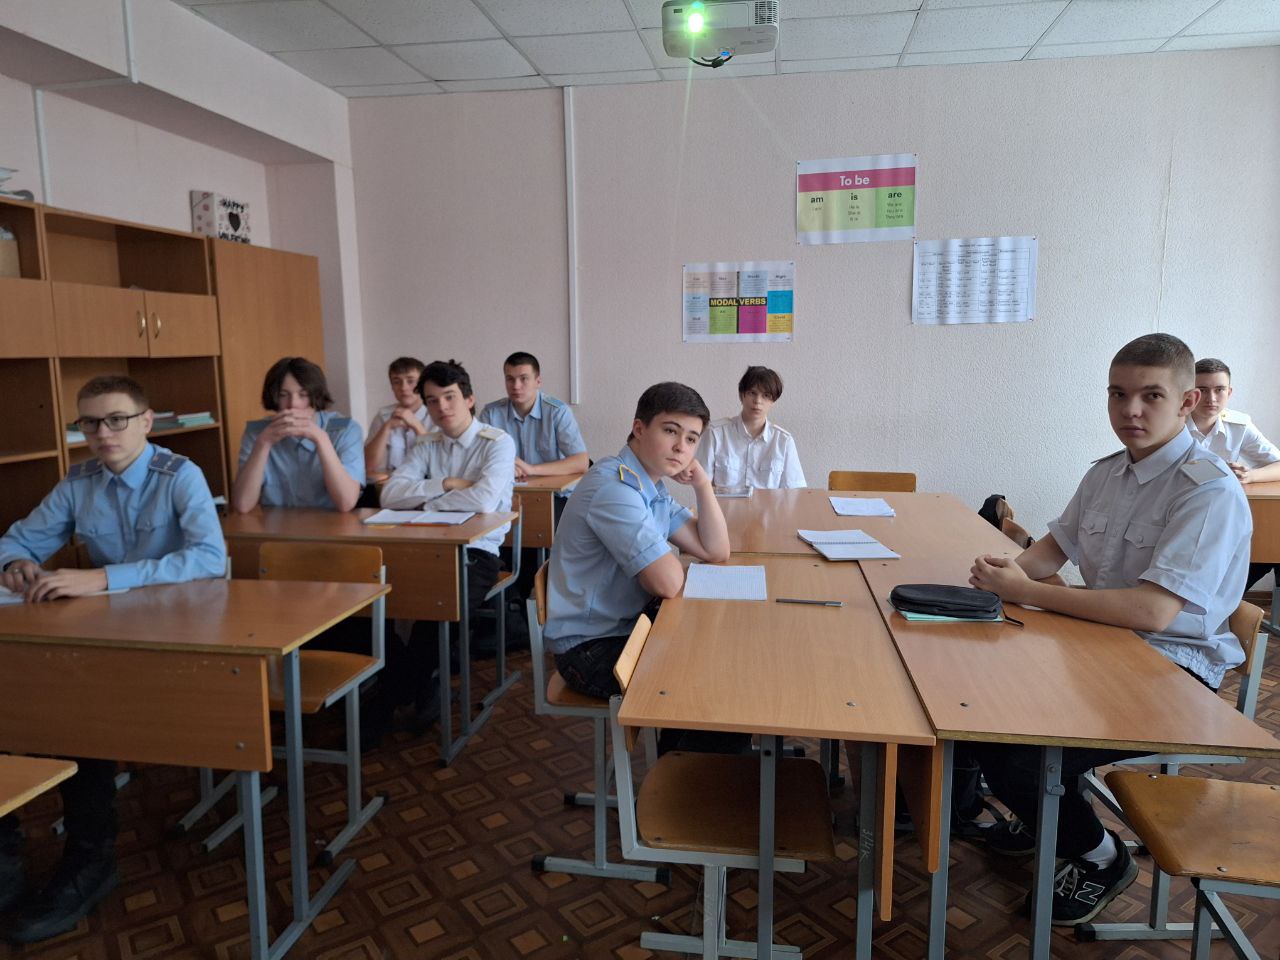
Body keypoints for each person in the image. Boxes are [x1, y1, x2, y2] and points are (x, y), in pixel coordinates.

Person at [966, 333, 1252, 925]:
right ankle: (1045, 814)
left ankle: (1100, 855)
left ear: (1188, 401)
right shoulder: (1107, 473)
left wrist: (1028, 592)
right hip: (1101, 647)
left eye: (1151, 396)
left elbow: (1153, 613)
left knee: (1019, 757)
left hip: (1174, 672)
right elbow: (1052, 549)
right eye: (1118, 394)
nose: (1131, 410)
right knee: (980, 706)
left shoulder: (1209, 491)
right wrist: (1005, 571)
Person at [0, 375, 226, 944]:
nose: (103, 433)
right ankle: (5, 857)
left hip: (179, 639)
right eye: (90, 423)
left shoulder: (180, 475)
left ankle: (90, 858)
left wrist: (102, 578)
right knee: (15, 697)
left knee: (79, 717)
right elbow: (17, 540)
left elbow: (209, 558)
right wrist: (17, 564)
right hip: (101, 636)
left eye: (117, 419)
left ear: (146, 421)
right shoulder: (79, 481)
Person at [543, 382, 731, 711]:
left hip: (626, 626)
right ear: (639, 429)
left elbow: (715, 550)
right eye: (670, 431)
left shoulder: (650, 486)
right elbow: (668, 583)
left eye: (691, 439)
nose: (680, 447)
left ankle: (684, 739)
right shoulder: (616, 488)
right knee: (705, 680)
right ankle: (681, 741)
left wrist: (702, 484)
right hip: (590, 648)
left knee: (715, 653)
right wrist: (670, 564)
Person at [377, 359, 516, 729]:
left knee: (437, 611)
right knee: (379, 604)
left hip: (477, 553)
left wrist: (423, 500)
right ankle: (417, 686)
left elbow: (483, 501)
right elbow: (389, 495)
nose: (442, 407)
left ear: (468, 399)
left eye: (450, 397)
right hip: (424, 546)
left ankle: (393, 693)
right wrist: (446, 485)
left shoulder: (498, 443)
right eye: (432, 400)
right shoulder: (426, 444)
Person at [1189, 357, 1280, 590]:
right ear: (1189, 393)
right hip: (1184, 513)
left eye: (1219, 390)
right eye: (1202, 390)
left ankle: (1230, 602)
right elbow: (1169, 465)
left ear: (1229, 392)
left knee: (1273, 546)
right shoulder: (1171, 424)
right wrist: (1222, 473)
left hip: (1225, 514)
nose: (1211, 398)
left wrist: (1249, 475)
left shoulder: (1238, 425)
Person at [230, 357, 364, 513]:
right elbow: (242, 505)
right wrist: (263, 444)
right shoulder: (257, 433)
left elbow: (346, 502)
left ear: (316, 395)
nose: (293, 404)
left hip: (333, 525)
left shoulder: (346, 430)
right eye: (283, 395)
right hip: (278, 525)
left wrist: (321, 439)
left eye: (303, 394)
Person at [479, 351, 588, 480]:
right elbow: (477, 458)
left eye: (524, 379)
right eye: (510, 379)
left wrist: (531, 469)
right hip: (508, 489)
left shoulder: (558, 412)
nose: (516, 386)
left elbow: (581, 462)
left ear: (538, 381)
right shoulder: (491, 414)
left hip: (552, 490)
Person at [695, 365, 805, 490]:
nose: (757, 401)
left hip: (769, 504)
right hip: (723, 504)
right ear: (741, 395)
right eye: (752, 393)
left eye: (766, 395)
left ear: (773, 401)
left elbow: (794, 491)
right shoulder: (715, 433)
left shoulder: (783, 441)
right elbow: (702, 484)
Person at [364, 356, 430, 477]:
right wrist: (387, 427)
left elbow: (437, 463)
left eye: (410, 381)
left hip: (425, 484)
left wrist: (416, 425)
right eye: (396, 382)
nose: (403, 388)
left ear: (422, 385)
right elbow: (368, 465)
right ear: (392, 387)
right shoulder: (383, 415)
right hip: (388, 483)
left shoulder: (434, 414)